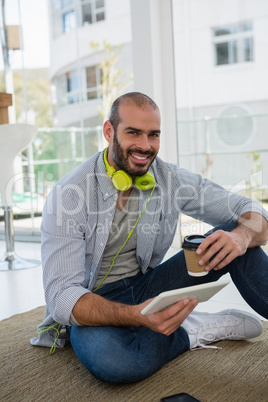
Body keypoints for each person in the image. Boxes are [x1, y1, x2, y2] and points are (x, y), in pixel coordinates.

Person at [31, 92, 268, 384]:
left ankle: (158, 325)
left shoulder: (169, 179)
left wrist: (243, 236)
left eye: (153, 135)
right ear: (109, 132)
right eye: (133, 133)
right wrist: (135, 316)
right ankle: (189, 331)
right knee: (114, 363)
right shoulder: (69, 195)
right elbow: (62, 297)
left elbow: (252, 210)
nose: (145, 146)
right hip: (92, 299)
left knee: (239, 243)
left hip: (148, 285)